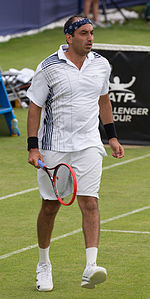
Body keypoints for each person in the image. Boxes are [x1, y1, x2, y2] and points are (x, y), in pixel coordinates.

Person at [27, 15, 124, 292]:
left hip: (89, 146)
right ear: (69, 37)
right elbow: (34, 107)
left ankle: (90, 267)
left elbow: (103, 99)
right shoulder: (48, 67)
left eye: (92, 32)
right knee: (50, 206)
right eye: (84, 33)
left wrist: (112, 137)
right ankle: (44, 264)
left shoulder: (102, 65)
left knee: (90, 203)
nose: (90, 38)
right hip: (53, 148)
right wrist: (33, 147)